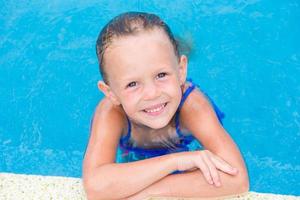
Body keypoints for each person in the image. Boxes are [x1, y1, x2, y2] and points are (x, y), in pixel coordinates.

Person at [82, 11, 249, 200]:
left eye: (161, 75)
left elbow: (238, 179)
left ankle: (183, 45)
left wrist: (149, 191)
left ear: (181, 70)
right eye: (132, 84)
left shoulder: (192, 107)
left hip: (183, 143)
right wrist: (175, 162)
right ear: (111, 93)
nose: (152, 94)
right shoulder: (111, 113)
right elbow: (95, 187)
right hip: (154, 153)